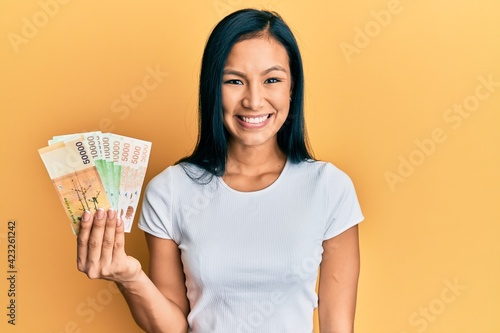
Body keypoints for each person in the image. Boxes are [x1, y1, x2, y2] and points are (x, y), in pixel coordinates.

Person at [76, 8, 364, 333]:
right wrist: (129, 277)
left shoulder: (329, 188)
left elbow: (338, 327)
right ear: (213, 88)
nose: (254, 101)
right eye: (234, 81)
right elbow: (173, 327)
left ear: (292, 88)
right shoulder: (169, 191)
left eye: (272, 79)